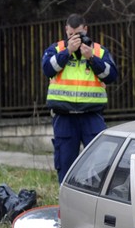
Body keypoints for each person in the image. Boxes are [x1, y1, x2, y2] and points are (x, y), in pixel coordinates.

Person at [42, 13, 118, 183]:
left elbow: (111, 75)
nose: (75, 39)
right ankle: (67, 204)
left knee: (101, 165)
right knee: (66, 166)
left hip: (91, 115)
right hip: (64, 117)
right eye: (71, 35)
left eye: (79, 34)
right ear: (66, 31)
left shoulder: (98, 51)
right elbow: (47, 69)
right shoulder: (56, 49)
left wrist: (91, 57)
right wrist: (67, 51)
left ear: (86, 30)